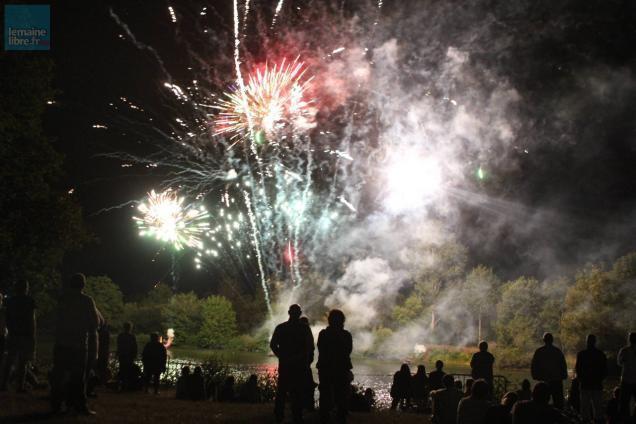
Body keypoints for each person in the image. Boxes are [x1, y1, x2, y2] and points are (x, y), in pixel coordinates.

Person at [49, 273, 100, 415]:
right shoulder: (86, 300)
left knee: (59, 375)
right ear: (83, 285)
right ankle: (79, 405)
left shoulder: (62, 299)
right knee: (78, 377)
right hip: (78, 344)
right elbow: (95, 324)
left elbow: (55, 319)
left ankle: (56, 404)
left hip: (61, 343)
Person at [270, 304, 315, 424]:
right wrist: (303, 357)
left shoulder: (281, 327)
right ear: (299, 313)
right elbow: (310, 346)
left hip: (285, 365)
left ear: (289, 312)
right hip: (300, 366)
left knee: (282, 391)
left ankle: (279, 414)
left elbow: (273, 345)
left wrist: (282, 356)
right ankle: (297, 415)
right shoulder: (305, 329)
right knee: (297, 392)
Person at [317, 309, 353, 424]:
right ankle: (341, 416)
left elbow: (321, 349)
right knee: (342, 393)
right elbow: (348, 351)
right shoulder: (346, 335)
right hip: (341, 368)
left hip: (325, 368)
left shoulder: (323, 334)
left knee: (325, 392)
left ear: (329, 320)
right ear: (342, 321)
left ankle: (325, 416)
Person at [0, 279, 36, 392]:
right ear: (26, 288)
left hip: (13, 333)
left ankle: (3, 384)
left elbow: (8, 318)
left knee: (10, 360)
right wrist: (33, 335)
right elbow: (32, 319)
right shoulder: (29, 301)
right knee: (23, 362)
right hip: (25, 334)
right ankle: (20, 386)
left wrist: (10, 330)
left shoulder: (10, 301)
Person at [574, 334, 607, 423]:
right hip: (597, 384)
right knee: (598, 407)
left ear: (587, 342)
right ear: (595, 342)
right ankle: (598, 421)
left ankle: (586, 422)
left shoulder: (581, 354)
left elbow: (577, 369)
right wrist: (600, 379)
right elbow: (605, 370)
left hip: (585, 384)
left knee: (585, 408)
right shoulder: (600, 354)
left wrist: (580, 379)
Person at [530, 333, 568, 408]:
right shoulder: (557, 351)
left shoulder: (539, 351)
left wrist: (535, 376)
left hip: (544, 380)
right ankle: (558, 417)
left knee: (542, 401)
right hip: (556, 380)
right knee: (558, 402)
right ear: (552, 340)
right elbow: (563, 365)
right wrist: (564, 375)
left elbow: (534, 365)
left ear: (544, 340)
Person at [617, 332, 636, 422]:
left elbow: (619, 363)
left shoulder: (624, 350)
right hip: (631, 380)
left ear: (629, 340)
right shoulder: (624, 350)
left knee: (624, 403)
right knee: (625, 403)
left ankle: (625, 420)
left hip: (626, 380)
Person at [300, 316, 317, 411]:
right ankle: (309, 406)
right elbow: (311, 350)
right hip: (305, 365)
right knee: (309, 386)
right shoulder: (308, 333)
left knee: (304, 386)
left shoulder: (299, 333)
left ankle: (303, 406)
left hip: (301, 365)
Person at [117, 322, 138, 390]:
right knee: (128, 370)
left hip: (122, 355)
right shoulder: (132, 336)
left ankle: (123, 385)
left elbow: (119, 346)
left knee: (122, 370)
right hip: (129, 356)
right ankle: (127, 385)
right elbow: (135, 347)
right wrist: (134, 354)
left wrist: (118, 353)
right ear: (130, 328)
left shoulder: (120, 336)